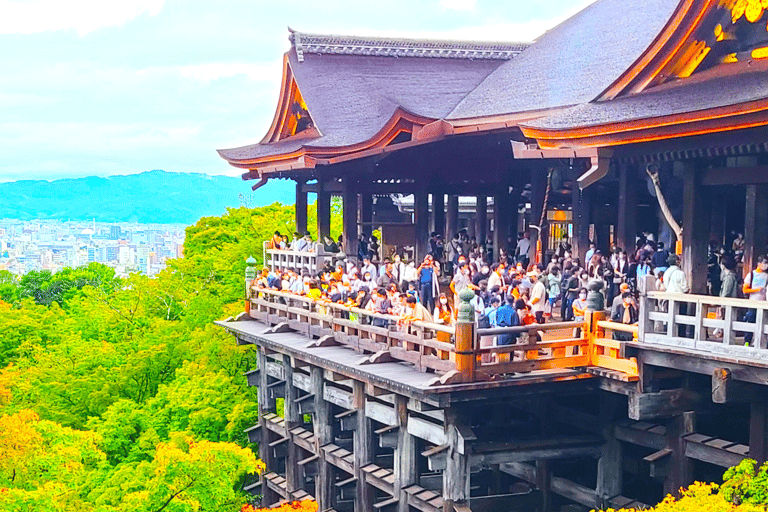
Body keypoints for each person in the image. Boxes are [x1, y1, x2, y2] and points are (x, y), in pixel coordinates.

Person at [742, 255, 768, 344]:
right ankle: (747, 341)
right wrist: (757, 289)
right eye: (764, 263)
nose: (766, 265)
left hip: (764, 303)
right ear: (759, 263)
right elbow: (745, 290)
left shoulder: (766, 276)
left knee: (762, 323)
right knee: (750, 321)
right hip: (753, 302)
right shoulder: (751, 274)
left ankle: (759, 342)